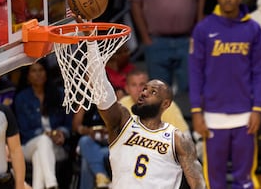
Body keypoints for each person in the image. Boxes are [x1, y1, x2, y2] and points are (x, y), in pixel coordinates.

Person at [79, 38, 206, 188]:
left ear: (165, 103)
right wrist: (91, 43)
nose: (143, 92)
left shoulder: (178, 138)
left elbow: (198, 185)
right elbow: (102, 92)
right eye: (144, 89)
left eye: (152, 92)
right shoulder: (122, 122)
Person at [189, 0, 261, 188]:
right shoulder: (203, 29)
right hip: (213, 115)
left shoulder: (253, 29)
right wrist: (196, 111)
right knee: (215, 180)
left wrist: (258, 108)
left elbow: (259, 71)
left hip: (245, 115)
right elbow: (195, 73)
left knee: (245, 179)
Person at [127, 0, 208, 95]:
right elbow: (135, 3)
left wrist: (197, 34)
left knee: (191, 90)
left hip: (187, 40)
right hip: (156, 41)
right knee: (158, 94)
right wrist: (145, 37)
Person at [14, 59, 72, 189]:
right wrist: (46, 134)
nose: (38, 74)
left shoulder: (59, 94)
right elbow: (24, 131)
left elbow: (68, 124)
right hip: (29, 145)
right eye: (34, 71)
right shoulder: (21, 98)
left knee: (39, 154)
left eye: (41, 70)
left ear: (46, 73)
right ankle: (52, 184)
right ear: (28, 76)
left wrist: (62, 133)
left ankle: (44, 186)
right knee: (43, 141)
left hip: (55, 147)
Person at [119, 69, 190, 135]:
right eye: (134, 85)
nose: (138, 89)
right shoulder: (122, 104)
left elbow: (184, 135)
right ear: (127, 89)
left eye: (142, 84)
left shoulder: (165, 105)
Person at [72, 106, 111, 189]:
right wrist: (87, 131)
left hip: (108, 143)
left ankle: (101, 176)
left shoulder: (111, 100)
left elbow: (117, 125)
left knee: (87, 158)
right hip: (89, 141)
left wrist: (107, 130)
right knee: (84, 141)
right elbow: (76, 126)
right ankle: (102, 176)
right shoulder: (84, 101)